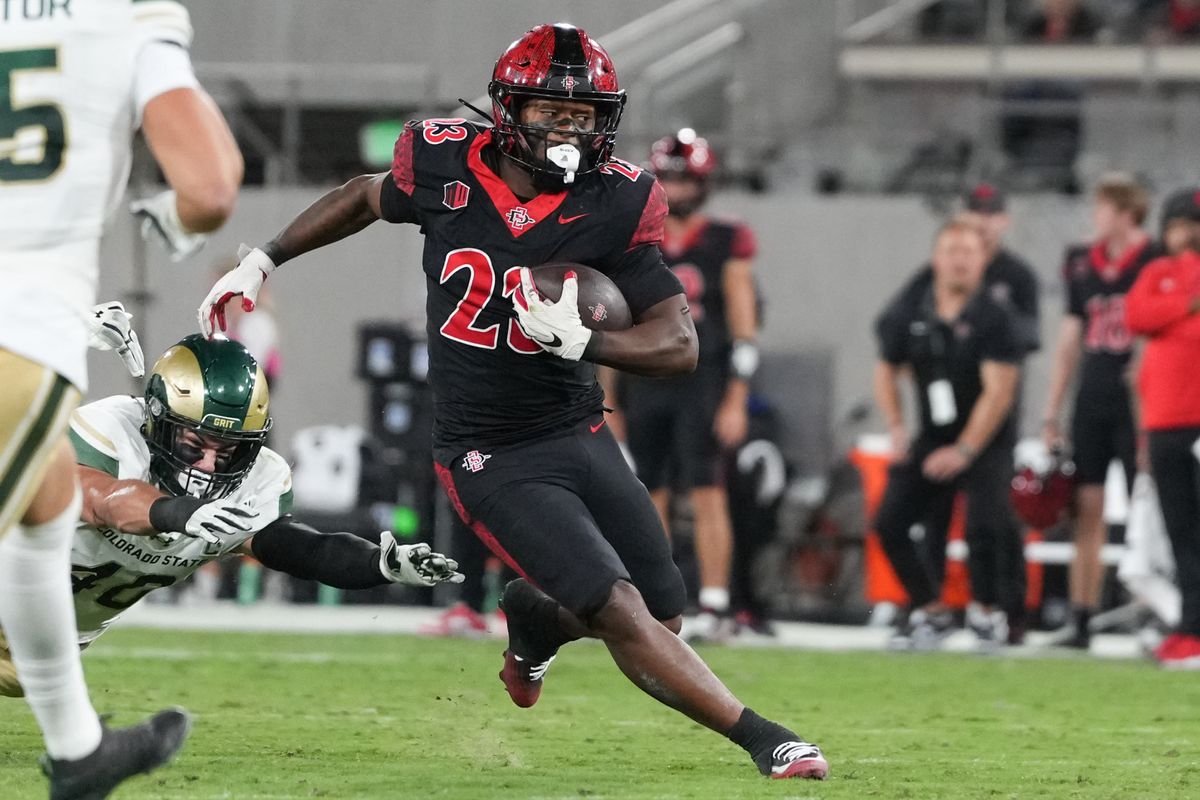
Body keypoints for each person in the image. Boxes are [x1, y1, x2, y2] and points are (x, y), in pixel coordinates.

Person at [198, 23, 828, 781]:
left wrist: (585, 344)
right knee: (622, 608)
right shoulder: (442, 160)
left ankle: (538, 619)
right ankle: (765, 738)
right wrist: (263, 260)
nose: (571, 131)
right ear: (507, 110)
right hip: (486, 448)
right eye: (551, 113)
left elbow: (679, 345)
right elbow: (365, 198)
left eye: (586, 116)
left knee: (664, 612)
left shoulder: (617, 200)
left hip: (576, 425)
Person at [0, 1, 242, 795]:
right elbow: (207, 188)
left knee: (43, 511)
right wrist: (166, 222)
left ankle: (77, 752)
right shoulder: (124, 15)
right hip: (23, 318)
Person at [0, 334, 463, 695]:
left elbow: (297, 548)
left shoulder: (259, 480)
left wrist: (378, 564)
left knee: (32, 681)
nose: (206, 465)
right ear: (156, 421)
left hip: (44, 639)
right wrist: (176, 512)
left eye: (227, 452)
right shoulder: (115, 429)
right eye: (192, 444)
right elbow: (97, 497)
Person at [601, 129, 760, 643]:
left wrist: (736, 395)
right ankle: (660, 598)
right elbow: (612, 325)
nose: (677, 189)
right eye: (669, 178)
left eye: (685, 179)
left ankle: (714, 603)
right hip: (645, 376)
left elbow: (743, 324)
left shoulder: (725, 239)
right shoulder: (636, 236)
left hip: (702, 379)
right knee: (651, 493)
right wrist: (609, 393)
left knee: (708, 489)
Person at [885, 185, 1039, 641]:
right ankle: (930, 608)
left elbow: (1004, 382)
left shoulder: (1006, 297)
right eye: (951, 249)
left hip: (989, 426)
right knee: (904, 519)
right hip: (937, 426)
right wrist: (899, 421)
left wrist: (966, 448)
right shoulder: (922, 289)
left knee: (989, 521)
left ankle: (997, 609)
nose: (959, 257)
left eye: (989, 216)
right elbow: (889, 350)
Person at [1041, 173, 1160, 650]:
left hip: (1137, 398)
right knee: (1086, 507)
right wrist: (1052, 409)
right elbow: (1070, 339)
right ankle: (1083, 616)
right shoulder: (1081, 263)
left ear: (1126, 211)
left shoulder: (1154, 261)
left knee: (1147, 511)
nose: (1096, 216)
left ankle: (1154, 614)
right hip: (1093, 395)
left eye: (1104, 207)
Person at [1125, 188, 1200, 668]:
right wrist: (1189, 306)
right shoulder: (1156, 272)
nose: (1185, 236)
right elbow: (1136, 316)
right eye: (1178, 225)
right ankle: (1191, 627)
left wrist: (1173, 313)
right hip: (1165, 422)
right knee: (1180, 533)